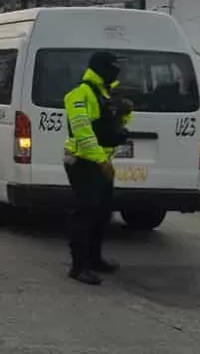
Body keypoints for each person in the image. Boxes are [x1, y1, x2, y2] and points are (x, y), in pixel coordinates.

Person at [63, 52, 133, 286]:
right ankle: (78, 266)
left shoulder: (106, 94)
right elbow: (83, 132)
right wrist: (100, 162)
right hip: (83, 161)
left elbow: (111, 129)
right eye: (113, 68)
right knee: (85, 213)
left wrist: (126, 112)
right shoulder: (79, 94)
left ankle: (95, 259)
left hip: (102, 160)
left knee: (103, 212)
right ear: (102, 68)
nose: (117, 72)